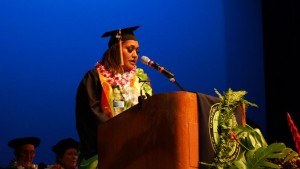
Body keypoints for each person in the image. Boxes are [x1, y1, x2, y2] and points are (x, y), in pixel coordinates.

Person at [75, 25, 152, 169]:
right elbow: (91, 114)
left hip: (137, 150)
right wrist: (118, 135)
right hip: (104, 151)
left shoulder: (141, 79)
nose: (135, 55)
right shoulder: (95, 78)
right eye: (130, 49)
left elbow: (150, 111)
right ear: (115, 50)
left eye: (137, 51)